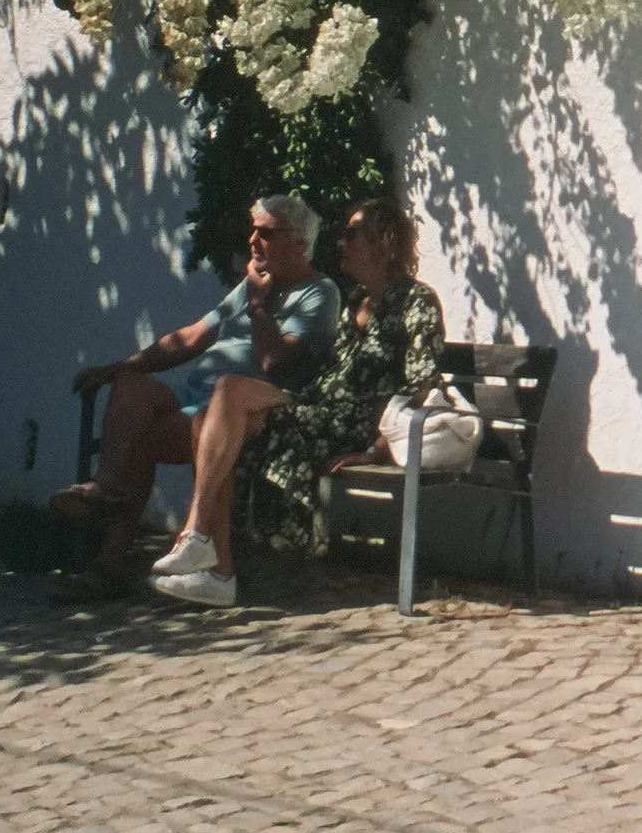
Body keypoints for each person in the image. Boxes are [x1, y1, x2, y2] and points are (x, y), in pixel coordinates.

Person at [56, 192, 342, 608]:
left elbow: (274, 361)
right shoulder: (253, 285)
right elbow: (190, 338)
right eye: (252, 231)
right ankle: (107, 490)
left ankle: (112, 556)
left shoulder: (319, 293)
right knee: (131, 385)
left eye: (265, 232)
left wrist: (260, 308)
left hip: (252, 408)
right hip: (199, 396)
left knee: (171, 428)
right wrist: (117, 367)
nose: (253, 241)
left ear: (298, 242)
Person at [257, 197, 462, 529]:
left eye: (353, 234)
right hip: (321, 411)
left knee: (254, 418)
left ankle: (224, 549)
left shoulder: (416, 301)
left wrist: (377, 450)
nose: (341, 242)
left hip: (354, 423)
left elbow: (422, 385)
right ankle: (216, 545)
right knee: (236, 407)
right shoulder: (354, 302)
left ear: (385, 245)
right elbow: (333, 371)